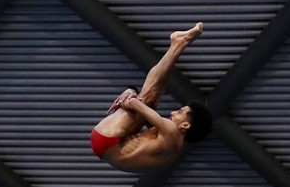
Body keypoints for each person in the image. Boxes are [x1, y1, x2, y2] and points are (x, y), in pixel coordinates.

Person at [91, 22, 212, 171]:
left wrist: (129, 95)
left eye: (179, 112)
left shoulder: (172, 132)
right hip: (107, 146)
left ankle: (178, 44)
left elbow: (137, 104)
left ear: (186, 125)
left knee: (148, 99)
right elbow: (149, 105)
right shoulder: (172, 146)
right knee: (152, 100)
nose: (173, 112)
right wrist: (131, 93)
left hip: (107, 139)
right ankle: (178, 44)